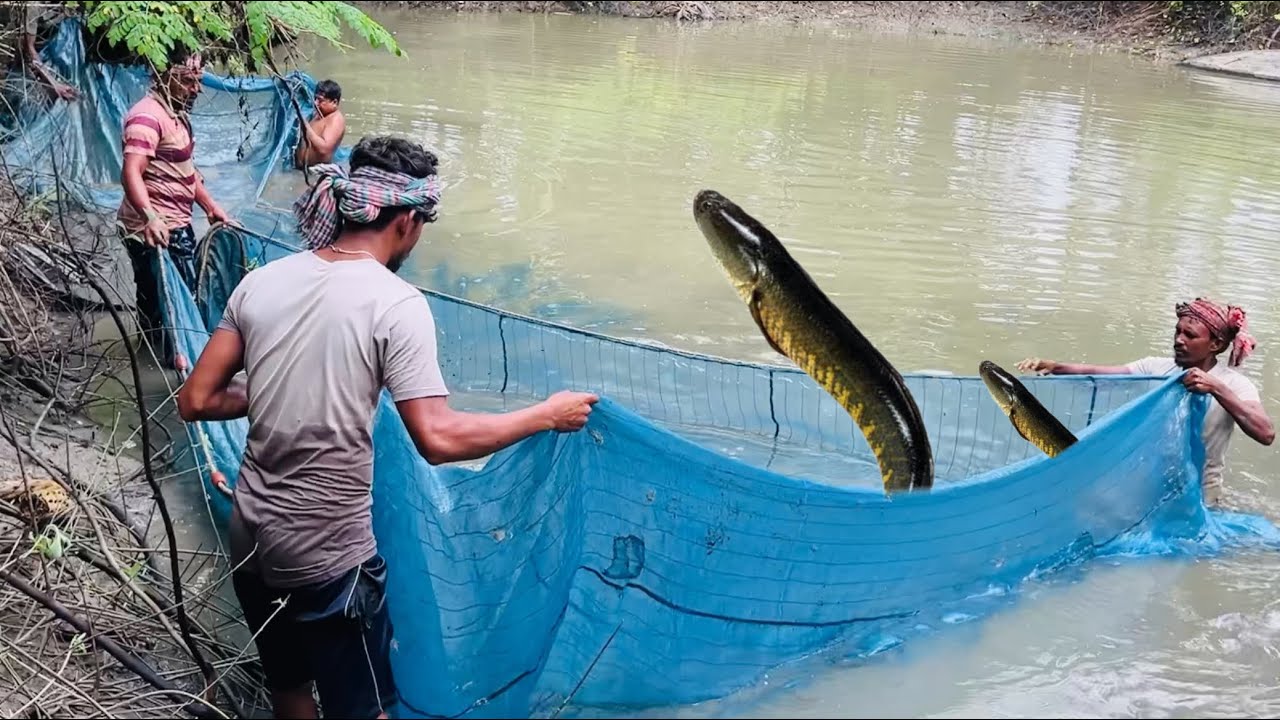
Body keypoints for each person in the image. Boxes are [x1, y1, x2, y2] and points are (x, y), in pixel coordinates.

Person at [175, 135, 599, 719]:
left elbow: (196, 399)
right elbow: (438, 437)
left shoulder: (263, 282)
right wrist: (545, 415)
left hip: (251, 536)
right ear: (405, 222)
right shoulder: (396, 304)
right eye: (421, 223)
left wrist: (276, 387)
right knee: (365, 708)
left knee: (291, 688)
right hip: (327, 554)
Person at [1018, 297, 1274, 506]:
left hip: (1201, 497)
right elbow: (1103, 376)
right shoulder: (1156, 367)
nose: (1178, 340)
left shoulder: (1235, 385)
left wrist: (1216, 387)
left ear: (1215, 344)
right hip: (1148, 489)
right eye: (1177, 331)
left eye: (1190, 335)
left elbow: (1266, 433)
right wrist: (1053, 366)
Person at [117, 50, 230, 355]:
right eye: (189, 81)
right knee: (171, 304)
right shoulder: (146, 117)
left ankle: (155, 354)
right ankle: (170, 362)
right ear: (164, 77)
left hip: (176, 223)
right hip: (157, 230)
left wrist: (210, 207)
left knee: (162, 301)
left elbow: (186, 171)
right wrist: (150, 217)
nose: (197, 89)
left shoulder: (176, 115)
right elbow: (131, 172)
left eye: (198, 81)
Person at [12, 3, 79, 102]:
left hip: (68, 57)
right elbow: (28, 48)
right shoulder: (33, 7)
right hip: (39, 62)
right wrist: (53, 83)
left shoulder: (69, 3)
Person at [294, 79, 346, 169]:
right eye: (315, 99)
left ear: (334, 102)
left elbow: (324, 149)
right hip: (301, 170)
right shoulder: (318, 114)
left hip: (315, 173)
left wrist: (306, 127)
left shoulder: (336, 120)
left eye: (321, 100)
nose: (316, 103)